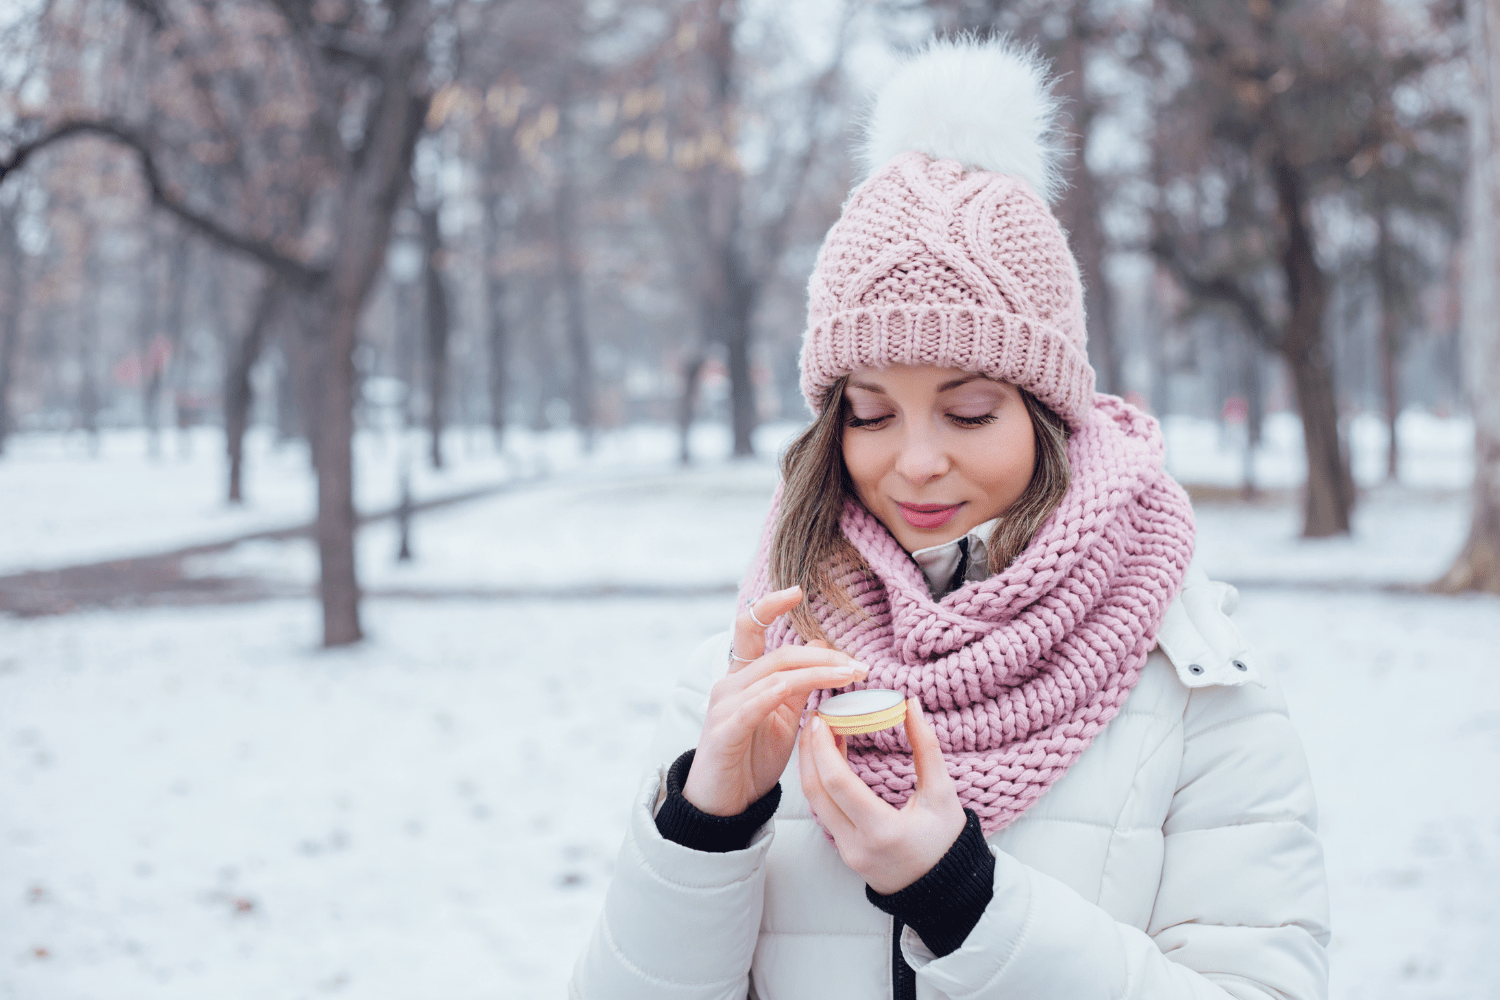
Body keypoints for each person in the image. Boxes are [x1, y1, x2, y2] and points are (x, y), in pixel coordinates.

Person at [570, 36, 1329, 1000]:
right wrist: (707, 824)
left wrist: (967, 902)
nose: (916, 461)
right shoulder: (750, 676)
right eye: (871, 413)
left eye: (969, 412)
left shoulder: (1194, 690)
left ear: (1049, 414)